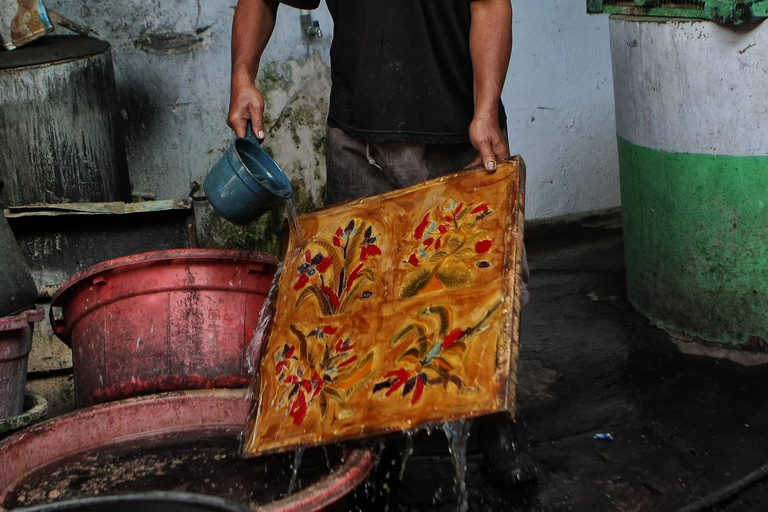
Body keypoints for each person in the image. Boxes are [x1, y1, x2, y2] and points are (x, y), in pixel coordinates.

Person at [227, 0, 535, 489]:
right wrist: (242, 76)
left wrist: (485, 109)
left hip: (456, 136)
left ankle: (495, 426)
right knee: (357, 305)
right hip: (356, 142)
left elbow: (490, 3)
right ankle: (370, 441)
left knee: (474, 296)